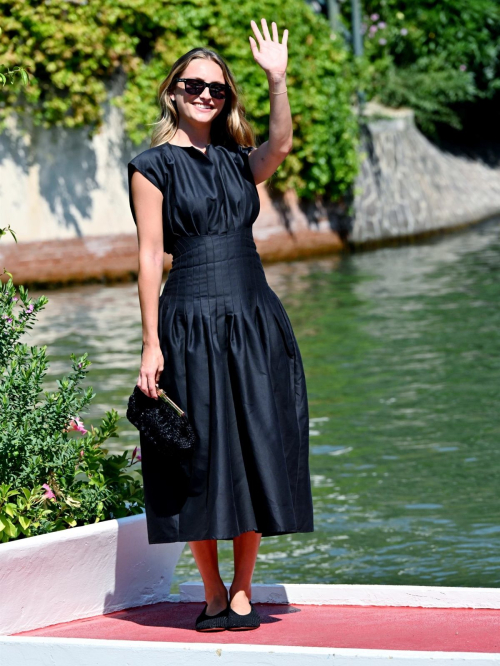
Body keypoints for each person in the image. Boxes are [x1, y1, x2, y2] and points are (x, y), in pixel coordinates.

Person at [127, 18, 314, 632]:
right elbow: (151, 255)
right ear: (172, 90)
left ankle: (241, 589)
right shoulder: (151, 166)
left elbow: (280, 147)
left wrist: (277, 81)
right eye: (193, 84)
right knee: (200, 459)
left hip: (253, 319)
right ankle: (210, 590)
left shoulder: (239, 161)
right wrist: (151, 344)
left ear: (227, 97)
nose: (205, 93)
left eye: (217, 87)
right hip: (187, 323)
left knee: (256, 448)